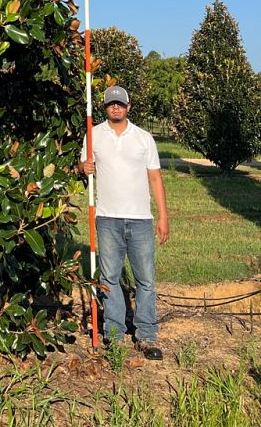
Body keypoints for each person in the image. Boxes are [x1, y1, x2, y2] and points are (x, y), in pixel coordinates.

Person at [79, 84, 169, 360]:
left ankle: (146, 334)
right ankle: (115, 335)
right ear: (105, 108)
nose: (115, 107)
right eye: (110, 104)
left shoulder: (143, 138)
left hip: (141, 219)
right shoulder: (93, 136)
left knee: (146, 280)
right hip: (107, 219)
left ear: (129, 107)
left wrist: (163, 216)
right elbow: (85, 168)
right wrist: (83, 168)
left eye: (120, 104)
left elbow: (155, 177)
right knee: (109, 278)